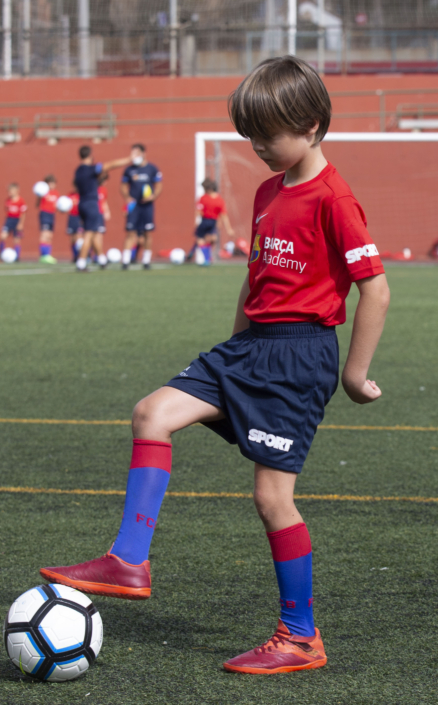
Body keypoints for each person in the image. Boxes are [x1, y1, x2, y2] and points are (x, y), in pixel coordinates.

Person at [39, 56, 390, 674]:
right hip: (249, 349)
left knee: (271, 500)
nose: (257, 148)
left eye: (268, 136)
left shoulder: (335, 198)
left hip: (299, 355)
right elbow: (255, 276)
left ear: (309, 125)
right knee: (152, 412)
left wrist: (354, 377)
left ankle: (300, 636)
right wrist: (232, 354)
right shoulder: (265, 191)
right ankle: (129, 559)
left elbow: (376, 289)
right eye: (249, 137)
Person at [74, 146, 131, 272]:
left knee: (93, 233)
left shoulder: (78, 170)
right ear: (90, 155)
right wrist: (129, 159)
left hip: (82, 203)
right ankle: (81, 262)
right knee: (89, 234)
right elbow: (110, 165)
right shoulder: (91, 169)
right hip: (91, 204)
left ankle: (101, 259)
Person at [121, 144, 163, 270]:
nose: (134, 157)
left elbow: (159, 185)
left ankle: (146, 260)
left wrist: (153, 196)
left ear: (144, 153)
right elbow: (123, 186)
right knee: (130, 232)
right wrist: (127, 197)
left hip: (147, 206)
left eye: (137, 153)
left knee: (147, 233)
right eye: (132, 154)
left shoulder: (152, 168)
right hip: (134, 206)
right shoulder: (129, 170)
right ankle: (125, 260)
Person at [193, 178, 235, 266]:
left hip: (205, 220)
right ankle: (208, 257)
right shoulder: (220, 200)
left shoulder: (203, 198)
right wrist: (229, 229)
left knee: (200, 239)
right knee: (212, 239)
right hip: (214, 222)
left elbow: (199, 211)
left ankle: (207, 258)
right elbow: (224, 215)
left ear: (209, 189)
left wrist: (197, 221)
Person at [0, 183, 26, 262]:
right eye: (9, 191)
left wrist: (21, 224)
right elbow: (6, 210)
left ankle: (17, 257)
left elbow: (23, 213)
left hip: (17, 220)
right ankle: (1, 254)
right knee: (2, 236)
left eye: (11, 191)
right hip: (9, 220)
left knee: (16, 239)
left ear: (17, 191)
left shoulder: (21, 201)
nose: (9, 193)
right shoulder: (8, 200)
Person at [37, 174, 59, 264]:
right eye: (50, 183)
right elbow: (38, 204)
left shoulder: (56, 193)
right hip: (44, 214)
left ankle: (48, 255)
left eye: (53, 183)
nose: (52, 185)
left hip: (52, 215)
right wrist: (39, 196)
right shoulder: (43, 192)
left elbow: (56, 205)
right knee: (44, 234)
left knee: (50, 236)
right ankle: (43, 255)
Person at [66, 186, 83, 262]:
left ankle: (82, 255)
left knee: (79, 236)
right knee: (72, 238)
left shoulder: (82, 195)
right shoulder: (70, 195)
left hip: (79, 217)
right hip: (71, 217)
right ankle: (75, 256)